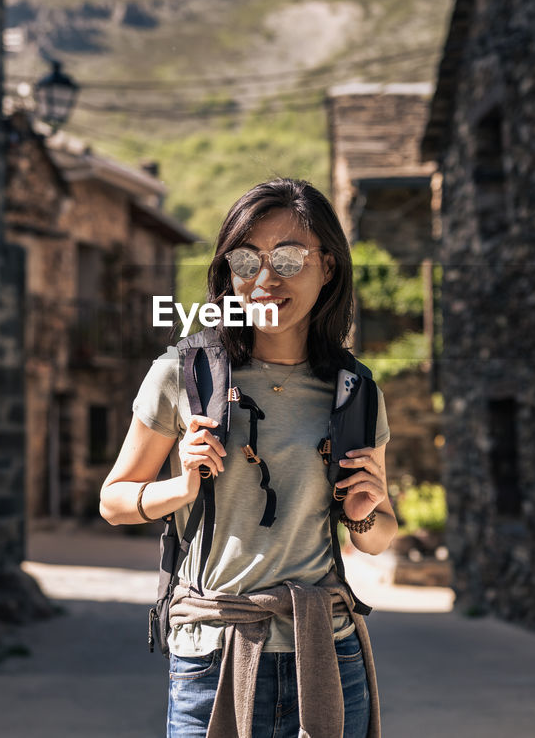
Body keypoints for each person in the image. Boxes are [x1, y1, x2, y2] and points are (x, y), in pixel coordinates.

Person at [99, 178, 396, 738]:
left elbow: (377, 535)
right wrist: (181, 488)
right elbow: (114, 501)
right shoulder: (182, 374)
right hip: (213, 655)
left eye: (288, 257)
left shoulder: (353, 390)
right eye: (246, 258)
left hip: (327, 654)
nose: (265, 279)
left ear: (327, 267)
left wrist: (364, 509)